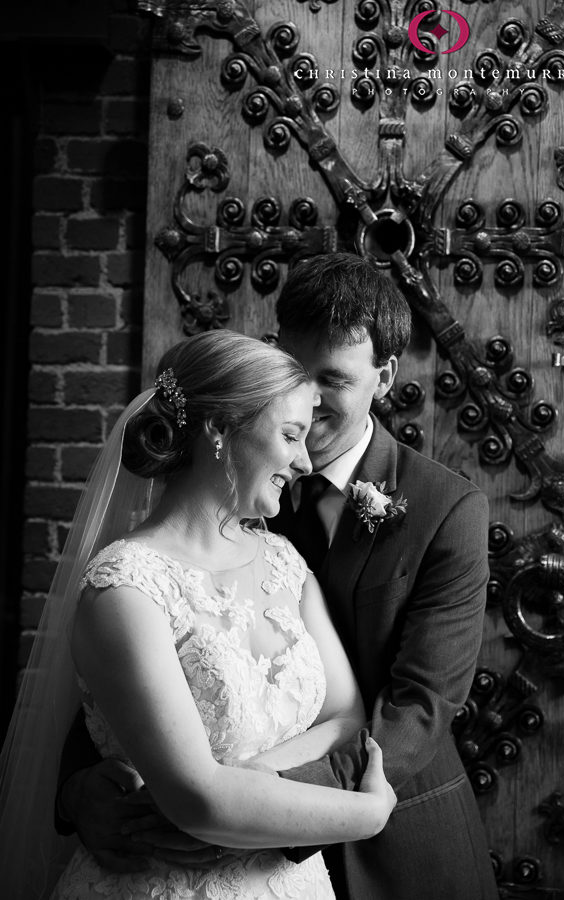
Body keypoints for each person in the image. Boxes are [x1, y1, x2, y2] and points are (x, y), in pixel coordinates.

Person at [53, 253, 500, 898]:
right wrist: (79, 787)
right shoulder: (225, 487)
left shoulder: (447, 510)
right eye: (296, 374)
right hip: (176, 836)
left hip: (394, 841)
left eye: (333, 380)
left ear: (385, 378)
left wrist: (247, 802)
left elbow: (419, 707)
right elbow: (132, 662)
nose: (310, 404)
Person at [0, 329, 397, 900]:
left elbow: (347, 716)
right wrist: (369, 813)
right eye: (290, 435)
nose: (306, 461)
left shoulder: (284, 561)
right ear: (218, 428)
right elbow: (198, 799)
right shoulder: (126, 588)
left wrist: (254, 779)